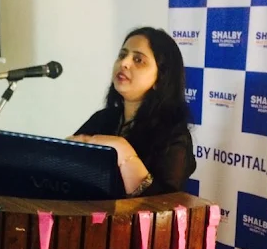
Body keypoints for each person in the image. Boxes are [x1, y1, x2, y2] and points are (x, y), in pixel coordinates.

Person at [70, 27, 196, 197]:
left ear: (160, 79)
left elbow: (162, 205)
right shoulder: (103, 118)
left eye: (138, 60)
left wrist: (122, 149)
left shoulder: (173, 135)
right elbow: (65, 166)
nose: (124, 63)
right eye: (122, 55)